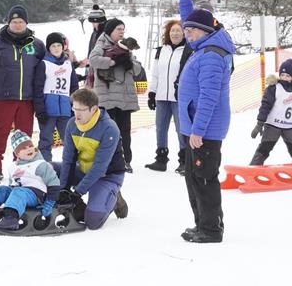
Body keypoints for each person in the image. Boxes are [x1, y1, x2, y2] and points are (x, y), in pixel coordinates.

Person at [177, 0, 235, 243]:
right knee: (193, 179)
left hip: (204, 130)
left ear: (206, 31)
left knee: (203, 179)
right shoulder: (204, 44)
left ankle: (210, 230)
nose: (187, 34)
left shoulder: (211, 55)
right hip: (195, 128)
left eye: (191, 31)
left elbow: (209, 98)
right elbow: (193, 21)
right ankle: (203, 224)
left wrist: (198, 130)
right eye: (186, 31)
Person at [0, 5, 45, 175]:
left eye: (21, 21)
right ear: (8, 22)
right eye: (14, 21)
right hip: (4, 96)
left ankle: (22, 167)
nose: (17, 25)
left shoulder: (37, 45)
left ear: (26, 23)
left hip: (27, 97)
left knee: (25, 135)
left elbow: (47, 65)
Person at [58, 88, 128, 230]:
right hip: (84, 170)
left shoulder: (109, 128)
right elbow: (68, 159)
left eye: (81, 109)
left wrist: (77, 192)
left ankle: (114, 197)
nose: (76, 113)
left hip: (107, 176)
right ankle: (78, 207)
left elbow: (100, 167)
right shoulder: (72, 124)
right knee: (49, 168)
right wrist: (63, 188)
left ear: (94, 109)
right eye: (74, 108)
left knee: (93, 222)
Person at [0, 130, 61, 230]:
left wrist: (49, 203)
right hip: (19, 194)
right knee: (1, 189)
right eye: (24, 148)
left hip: (36, 196)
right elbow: (11, 184)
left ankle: (11, 219)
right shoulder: (13, 167)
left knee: (19, 191)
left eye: (30, 146)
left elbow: (54, 183)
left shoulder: (40, 164)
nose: (29, 149)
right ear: (17, 153)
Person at [88, 18, 140, 172]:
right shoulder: (101, 44)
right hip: (108, 96)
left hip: (124, 97)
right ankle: (110, 161)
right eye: (118, 29)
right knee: (110, 131)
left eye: (123, 29)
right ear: (110, 30)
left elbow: (137, 70)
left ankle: (126, 160)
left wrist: (128, 62)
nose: (122, 32)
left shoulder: (126, 47)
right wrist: (112, 62)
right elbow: (93, 60)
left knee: (125, 130)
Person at [250, 59, 292, 165]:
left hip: (290, 127)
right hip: (273, 126)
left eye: (288, 76)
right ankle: (253, 169)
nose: (284, 78)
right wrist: (259, 124)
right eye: (282, 75)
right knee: (264, 149)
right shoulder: (274, 88)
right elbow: (265, 106)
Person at [145, 19, 188, 173]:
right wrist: (152, 93)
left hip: (179, 97)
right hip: (162, 96)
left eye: (178, 30)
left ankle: (184, 160)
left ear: (184, 33)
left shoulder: (187, 50)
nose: (175, 33)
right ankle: (161, 159)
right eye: (172, 31)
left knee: (181, 129)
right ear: (167, 34)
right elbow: (155, 74)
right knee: (160, 128)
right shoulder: (160, 50)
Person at [33, 32, 79, 162]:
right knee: (46, 140)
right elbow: (38, 88)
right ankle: (46, 167)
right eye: (53, 46)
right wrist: (40, 109)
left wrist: (75, 106)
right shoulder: (44, 64)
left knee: (70, 140)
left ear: (63, 47)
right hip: (48, 110)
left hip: (65, 110)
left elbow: (74, 87)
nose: (56, 48)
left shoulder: (68, 64)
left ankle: (73, 166)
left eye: (59, 45)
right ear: (49, 48)